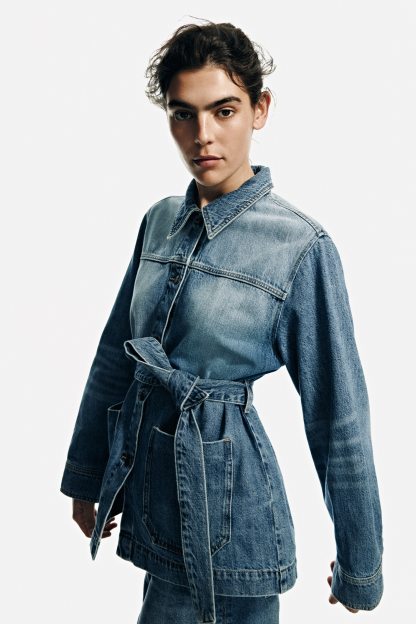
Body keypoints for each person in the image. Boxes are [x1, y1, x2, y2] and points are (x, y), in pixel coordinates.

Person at [60, 19, 384, 623]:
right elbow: (115, 354)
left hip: (235, 519)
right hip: (154, 500)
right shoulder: (159, 221)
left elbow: (338, 416)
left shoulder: (300, 247)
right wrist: (88, 473)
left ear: (260, 110)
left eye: (224, 110)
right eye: (183, 114)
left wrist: (360, 565)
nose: (202, 135)